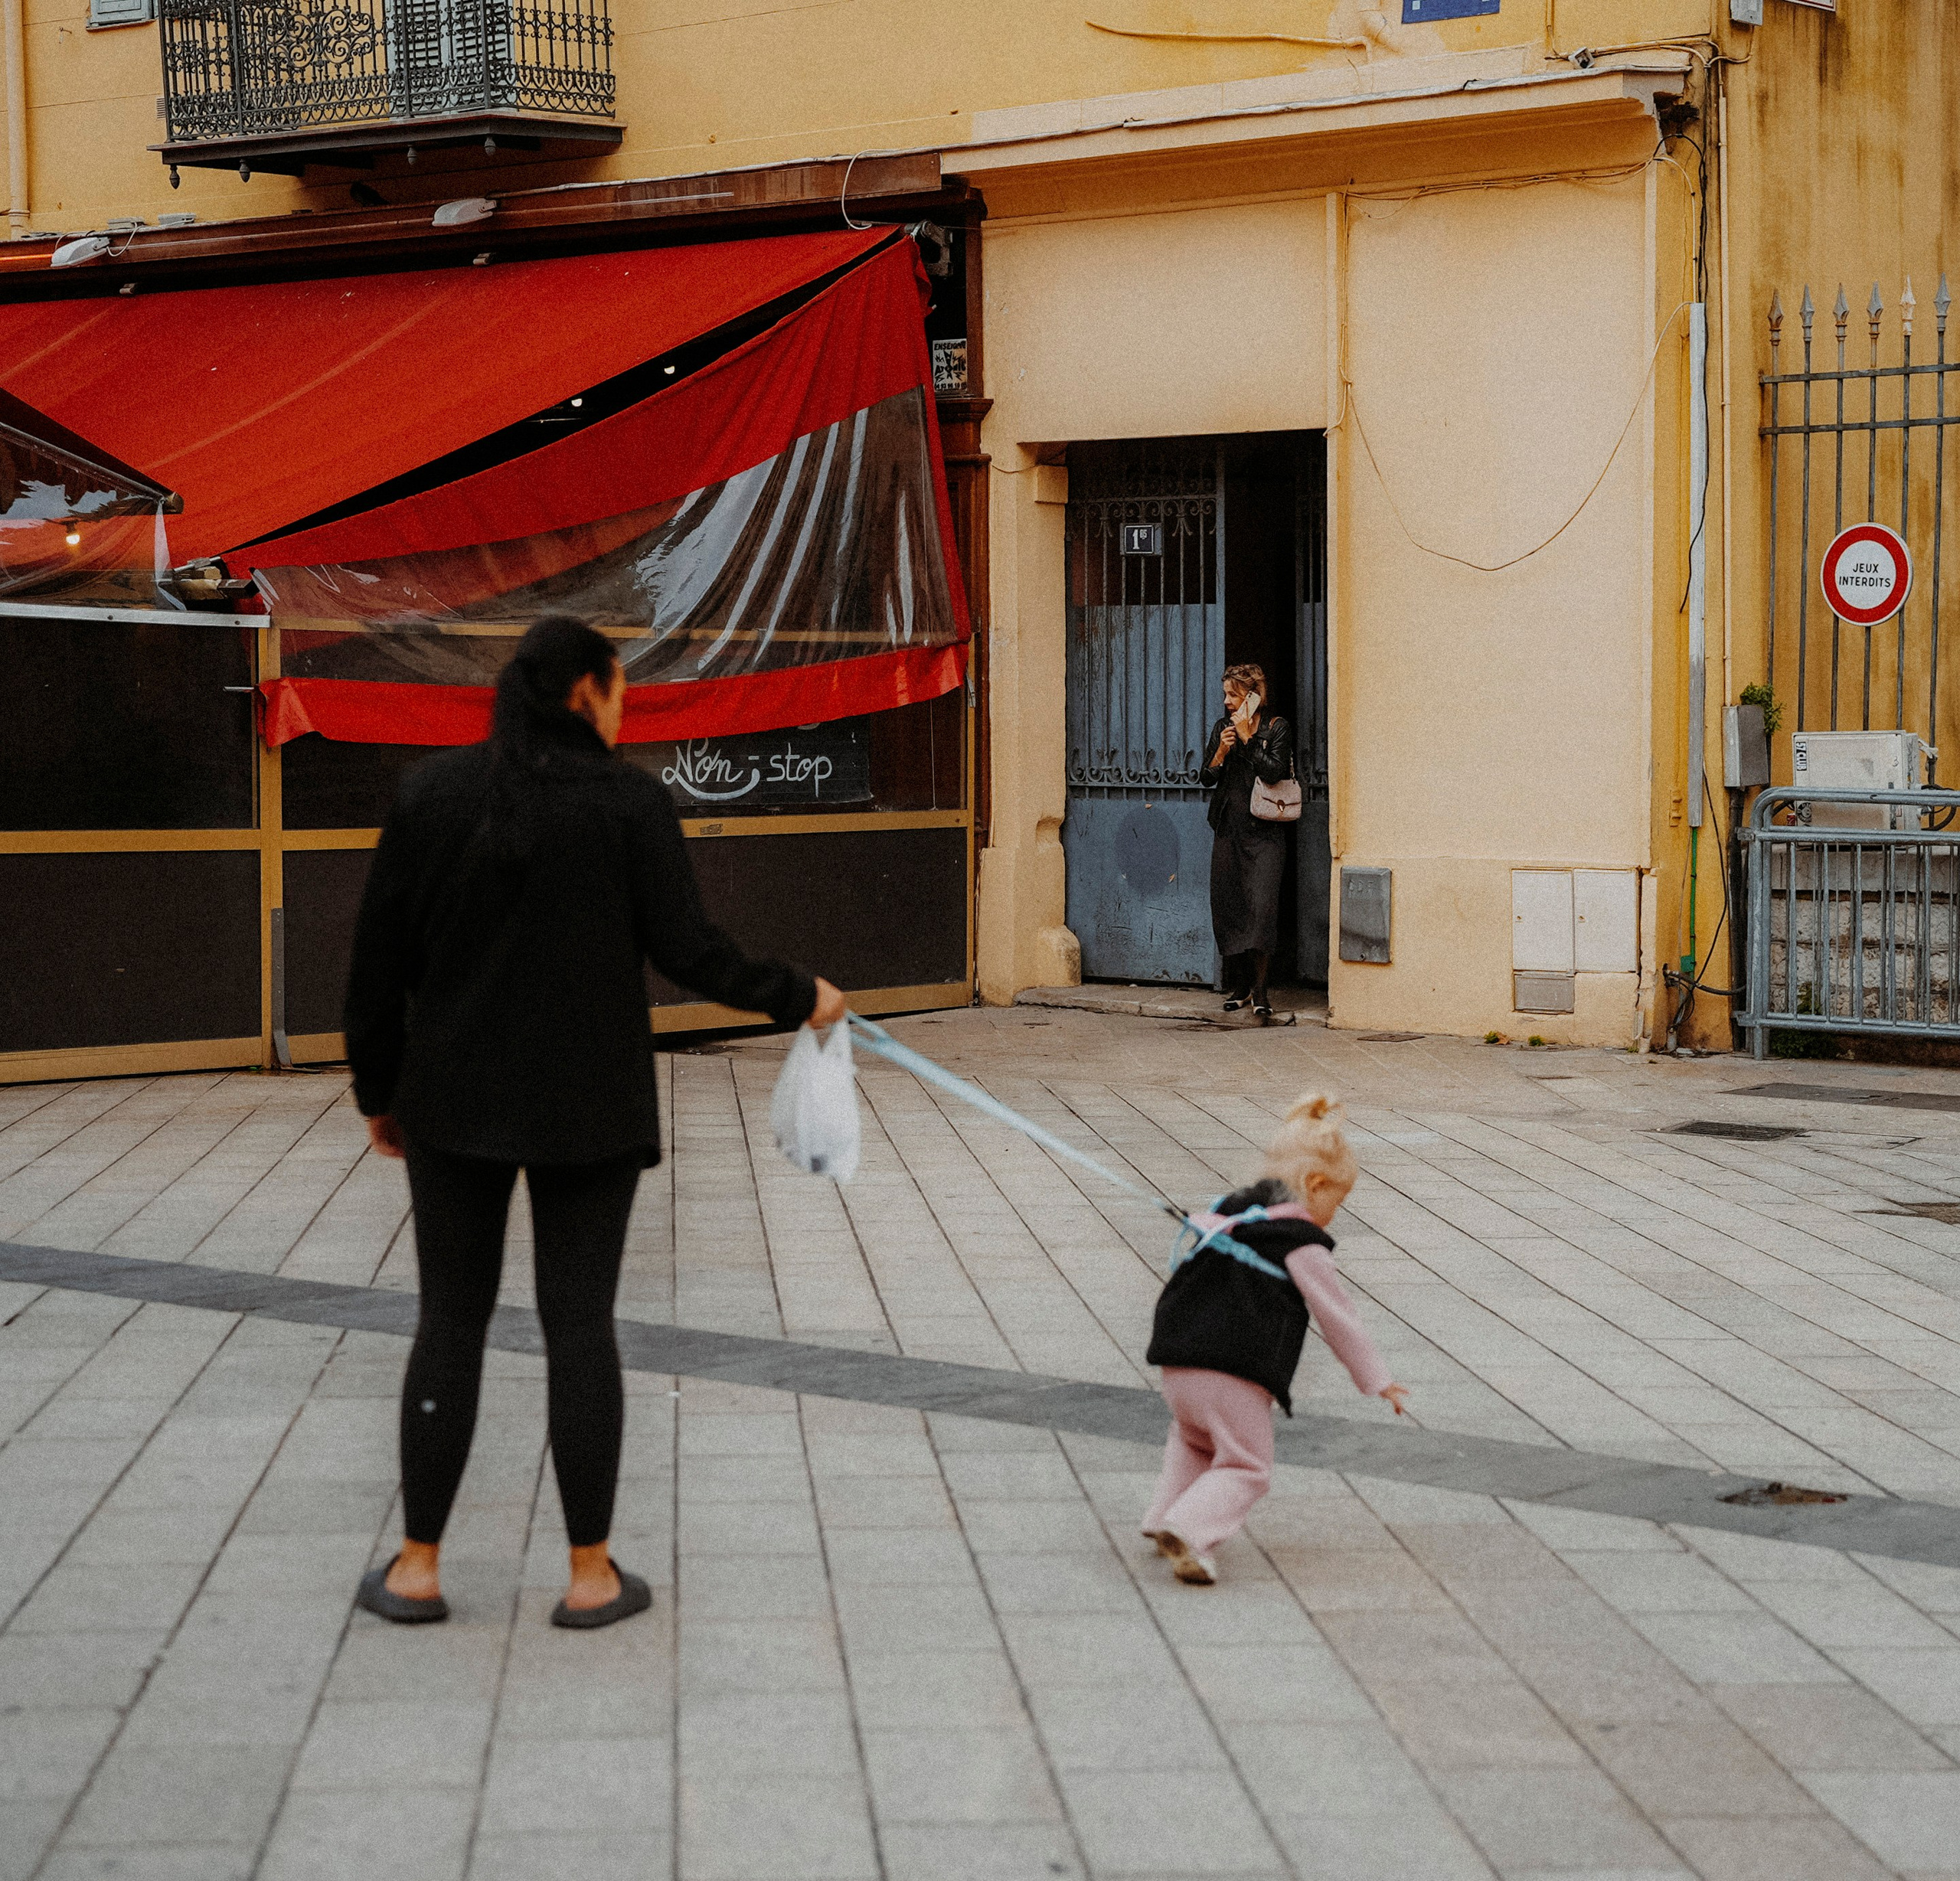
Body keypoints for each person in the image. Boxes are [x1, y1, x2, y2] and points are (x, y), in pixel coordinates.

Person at [343, 614, 846, 1630]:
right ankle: (588, 1576)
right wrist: (802, 995)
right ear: (582, 692)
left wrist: (378, 1094)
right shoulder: (630, 805)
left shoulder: (431, 795)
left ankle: (417, 1567)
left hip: (451, 1104)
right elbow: (691, 949)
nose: (624, 710)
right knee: (581, 1327)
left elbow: (373, 968)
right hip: (588, 1111)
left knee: (451, 1318)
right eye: (619, 690)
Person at [1142, 1094, 1407, 1585]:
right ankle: (1190, 1531)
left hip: (1177, 1361)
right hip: (1235, 1371)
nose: (1334, 1213)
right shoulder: (1300, 1243)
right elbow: (1338, 1318)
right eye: (1336, 1200)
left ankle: (1163, 1518)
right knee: (1248, 1465)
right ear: (1314, 1184)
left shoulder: (1226, 1214)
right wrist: (1379, 1380)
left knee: (1195, 1441)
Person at [1200, 663, 1295, 1019]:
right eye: (1225, 694)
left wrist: (1248, 740)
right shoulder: (1221, 729)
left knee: (1262, 909)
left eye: (1233, 694)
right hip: (1229, 829)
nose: (1226, 701)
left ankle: (1261, 992)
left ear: (1253, 695)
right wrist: (1221, 753)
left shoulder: (1276, 727)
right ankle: (1239, 988)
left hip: (1267, 834)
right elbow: (1206, 779)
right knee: (1230, 906)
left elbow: (1273, 771)